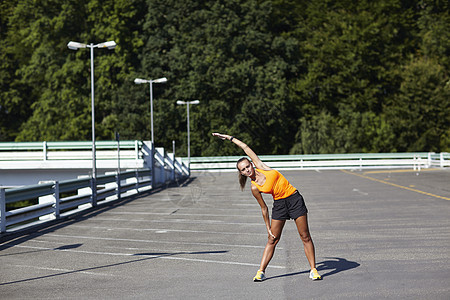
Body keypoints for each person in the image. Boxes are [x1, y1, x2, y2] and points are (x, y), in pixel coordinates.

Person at [212, 133, 322, 281]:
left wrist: (228, 138)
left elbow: (245, 147)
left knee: (305, 236)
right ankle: (260, 272)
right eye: (243, 170)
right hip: (280, 205)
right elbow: (263, 208)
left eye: (247, 166)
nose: (247, 170)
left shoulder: (261, 166)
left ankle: (313, 270)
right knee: (272, 239)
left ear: (251, 163)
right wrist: (268, 228)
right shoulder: (254, 187)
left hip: (294, 198)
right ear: (241, 173)